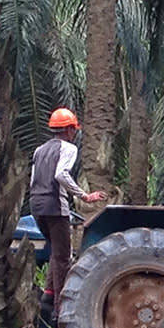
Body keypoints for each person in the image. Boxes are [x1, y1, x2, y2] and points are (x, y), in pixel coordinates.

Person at [29, 108, 106, 311]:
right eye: (74, 130)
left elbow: (33, 179)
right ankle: (60, 309)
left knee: (56, 249)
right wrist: (84, 195)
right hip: (55, 207)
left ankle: (48, 294)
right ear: (70, 129)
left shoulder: (39, 150)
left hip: (36, 205)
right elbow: (61, 174)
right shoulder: (69, 149)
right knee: (63, 257)